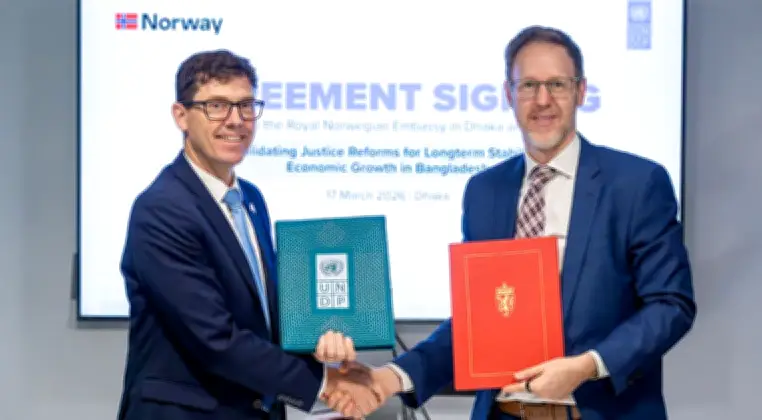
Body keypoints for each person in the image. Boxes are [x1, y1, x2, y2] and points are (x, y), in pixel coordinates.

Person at [324, 25, 697, 420]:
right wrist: (389, 378)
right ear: (508, 94)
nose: (542, 100)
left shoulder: (635, 183)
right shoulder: (485, 191)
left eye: (557, 84)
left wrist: (587, 365)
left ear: (581, 91)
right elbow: (477, 323)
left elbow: (670, 305)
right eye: (528, 86)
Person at [116, 49, 381, 420]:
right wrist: (325, 383)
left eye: (245, 106)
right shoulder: (162, 209)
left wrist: (319, 339)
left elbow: (264, 320)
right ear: (181, 116)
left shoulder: (250, 199)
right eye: (216, 106)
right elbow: (215, 339)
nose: (235, 120)